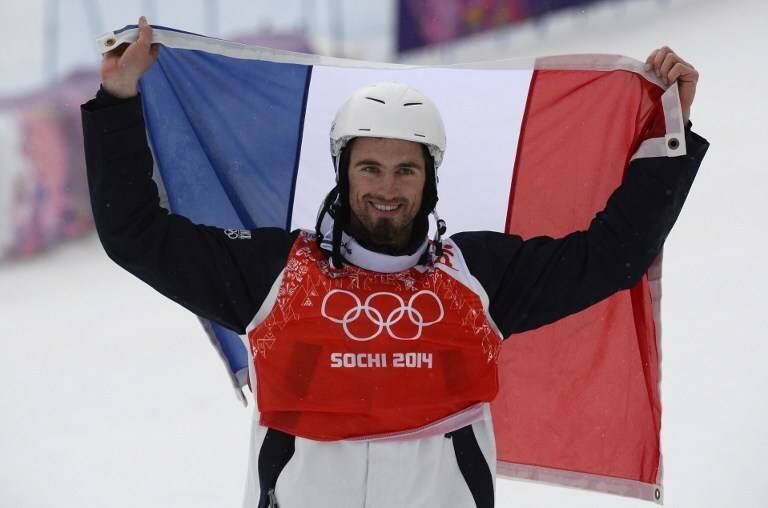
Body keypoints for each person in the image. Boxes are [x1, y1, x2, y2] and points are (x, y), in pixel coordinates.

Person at [82, 16, 708, 508]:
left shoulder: (477, 278)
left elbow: (610, 258)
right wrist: (117, 100)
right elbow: (136, 235)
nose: (387, 187)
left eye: (406, 169)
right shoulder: (274, 273)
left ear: (429, 180)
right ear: (343, 172)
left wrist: (670, 134)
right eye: (370, 168)